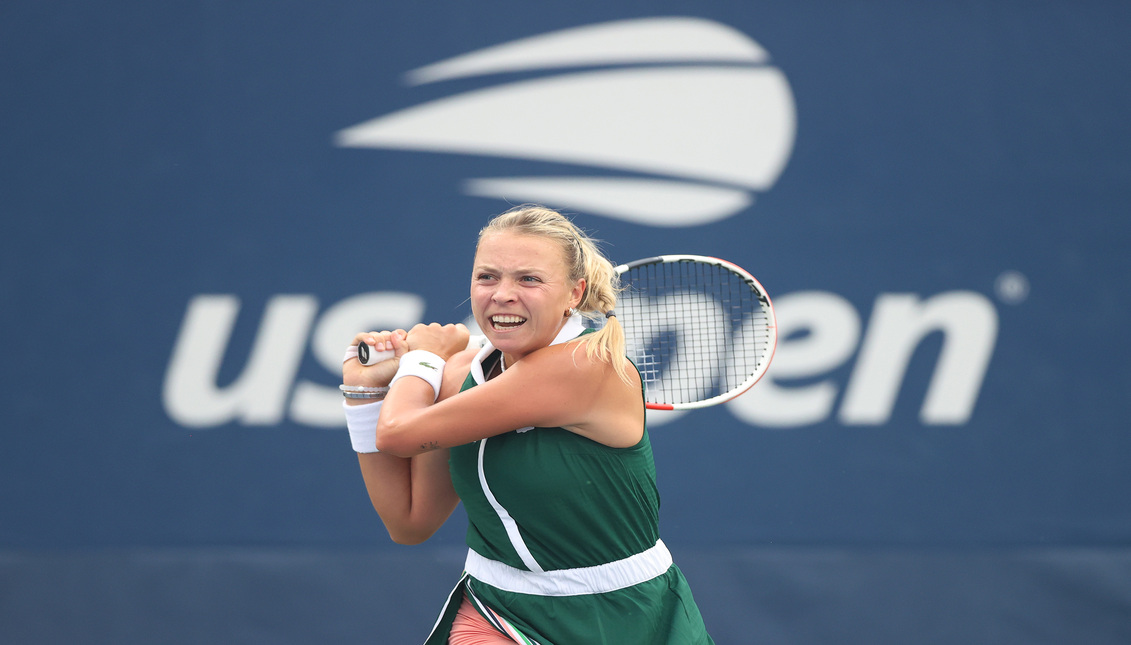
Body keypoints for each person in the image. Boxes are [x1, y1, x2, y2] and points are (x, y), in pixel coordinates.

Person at [341, 204, 715, 644]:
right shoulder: (461, 368)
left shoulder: (583, 367)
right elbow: (409, 522)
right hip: (498, 614)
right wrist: (362, 391)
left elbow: (398, 434)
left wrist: (422, 360)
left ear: (575, 294)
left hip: (628, 617)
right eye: (487, 277)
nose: (502, 294)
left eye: (529, 279)